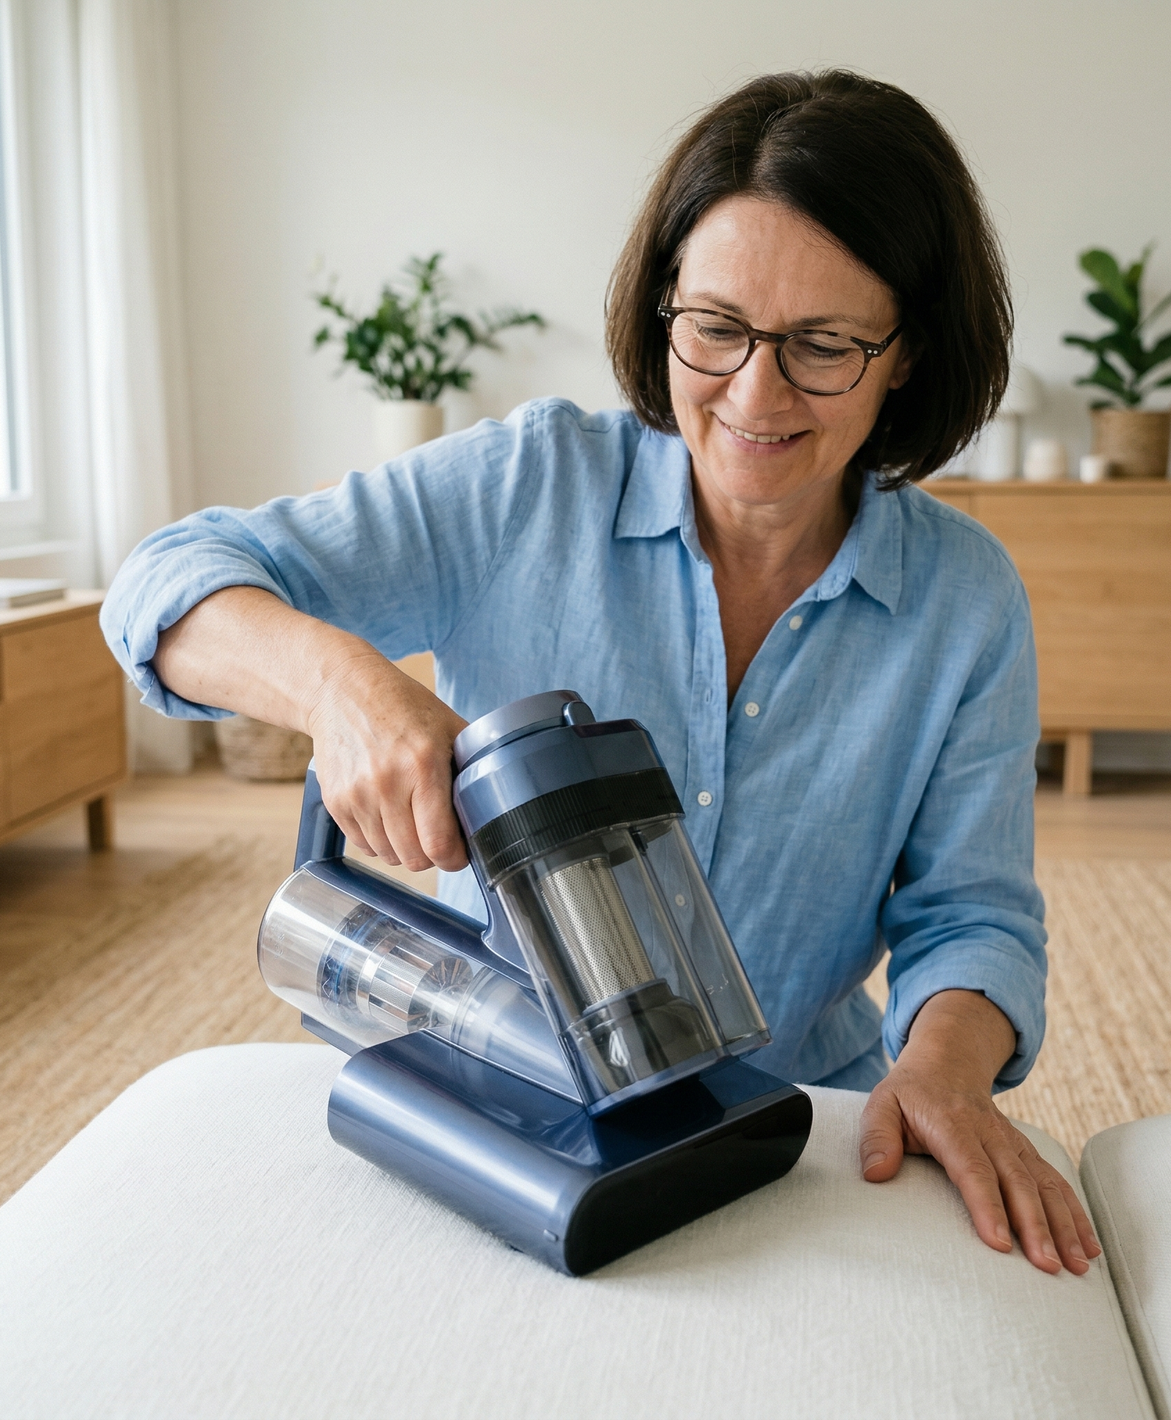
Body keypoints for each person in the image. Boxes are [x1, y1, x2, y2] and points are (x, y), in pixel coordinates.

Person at [102, 70, 1100, 1276]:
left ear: (905, 356)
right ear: (663, 303)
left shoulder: (964, 600)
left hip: (792, 1121)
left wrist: (941, 1068)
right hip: (504, 1089)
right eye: (716, 327)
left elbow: (971, 912)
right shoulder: (523, 485)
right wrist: (339, 688)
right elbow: (163, 583)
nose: (754, 394)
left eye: (822, 345)